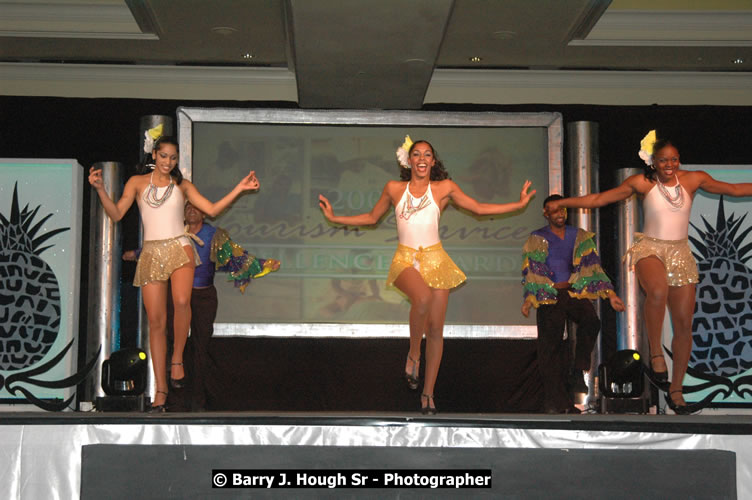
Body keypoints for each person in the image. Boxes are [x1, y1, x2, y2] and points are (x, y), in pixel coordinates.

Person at [318, 136, 535, 414]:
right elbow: (372, 218)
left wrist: (518, 205)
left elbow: (479, 208)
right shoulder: (394, 189)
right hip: (406, 258)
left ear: (433, 161)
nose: (422, 159)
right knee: (420, 299)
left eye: (427, 154)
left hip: (436, 260)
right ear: (409, 161)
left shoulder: (444, 188)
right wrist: (336, 218)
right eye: (416, 154)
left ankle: (428, 394)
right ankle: (413, 354)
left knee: (435, 330)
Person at [547, 131, 752, 414]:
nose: (670, 165)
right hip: (650, 249)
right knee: (656, 291)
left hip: (680, 253)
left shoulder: (694, 179)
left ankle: (677, 391)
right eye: (664, 160)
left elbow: (735, 190)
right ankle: (656, 352)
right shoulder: (641, 183)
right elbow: (599, 198)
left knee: (683, 325)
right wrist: (564, 203)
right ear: (653, 162)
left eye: (675, 159)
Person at [89, 135, 260, 412]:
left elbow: (213, 209)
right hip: (152, 253)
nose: (169, 161)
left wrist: (239, 188)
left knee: (182, 301)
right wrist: (100, 190)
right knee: (157, 323)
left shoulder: (183, 186)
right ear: (154, 155)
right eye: (165, 155)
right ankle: (161, 391)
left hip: (180, 246)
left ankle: (177, 358)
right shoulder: (136, 183)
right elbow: (117, 214)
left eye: (174, 157)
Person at [123, 201, 281, 411]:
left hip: (203, 298)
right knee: (172, 346)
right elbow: (155, 250)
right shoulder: (175, 235)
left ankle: (198, 401)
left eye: (196, 208)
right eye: (187, 208)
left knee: (200, 348)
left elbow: (236, 259)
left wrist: (261, 265)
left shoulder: (214, 235)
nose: (191, 211)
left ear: (205, 214)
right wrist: (137, 253)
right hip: (178, 299)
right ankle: (172, 401)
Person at [521, 194, 625, 414]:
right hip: (550, 295)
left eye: (562, 210)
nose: (559, 214)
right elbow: (532, 271)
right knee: (551, 350)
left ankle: (578, 369)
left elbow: (593, 267)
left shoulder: (578, 236)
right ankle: (560, 404)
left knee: (591, 321)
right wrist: (529, 299)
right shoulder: (538, 237)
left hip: (572, 292)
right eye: (554, 210)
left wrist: (611, 295)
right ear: (545, 213)